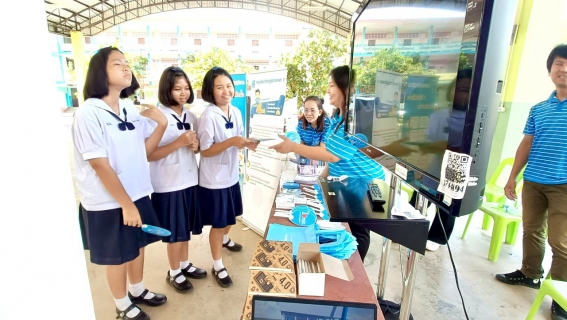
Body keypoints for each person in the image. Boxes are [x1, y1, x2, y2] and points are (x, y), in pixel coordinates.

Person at [73, 47, 168, 320]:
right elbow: (99, 164)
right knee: (118, 254)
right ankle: (122, 304)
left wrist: (160, 126)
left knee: (136, 245)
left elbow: (144, 150)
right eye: (118, 64)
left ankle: (137, 290)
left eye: (127, 64)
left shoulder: (128, 107)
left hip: (136, 192)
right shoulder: (88, 113)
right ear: (99, 73)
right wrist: (126, 205)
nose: (126, 68)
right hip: (107, 200)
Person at [271, 66, 393, 261]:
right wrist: (319, 180)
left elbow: (330, 155)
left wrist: (292, 146)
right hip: (347, 182)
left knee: (357, 233)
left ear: (345, 87)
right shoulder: (337, 116)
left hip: (366, 184)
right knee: (344, 226)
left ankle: (353, 275)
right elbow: (332, 158)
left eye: (331, 85)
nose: (328, 90)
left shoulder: (356, 117)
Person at [496, 45, 567, 320]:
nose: (563, 69)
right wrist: (512, 176)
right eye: (559, 64)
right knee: (532, 230)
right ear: (550, 70)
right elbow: (526, 144)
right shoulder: (539, 109)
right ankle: (529, 274)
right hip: (534, 180)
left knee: (561, 243)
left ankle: (561, 296)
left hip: (564, 184)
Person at [197, 67, 259, 287]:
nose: (226, 91)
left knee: (231, 215)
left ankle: (224, 239)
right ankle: (217, 265)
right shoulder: (208, 116)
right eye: (219, 87)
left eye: (229, 86)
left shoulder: (236, 111)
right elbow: (205, 150)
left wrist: (247, 144)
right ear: (210, 91)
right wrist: (233, 142)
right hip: (214, 180)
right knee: (218, 222)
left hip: (231, 175)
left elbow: (238, 138)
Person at [146, 67, 207, 294]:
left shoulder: (190, 116)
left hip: (190, 180)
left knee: (185, 229)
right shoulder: (156, 117)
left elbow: (197, 147)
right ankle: (174, 272)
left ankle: (184, 264)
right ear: (166, 90)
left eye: (186, 88)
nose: (183, 93)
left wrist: (195, 146)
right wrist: (179, 143)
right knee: (174, 232)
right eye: (177, 89)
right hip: (168, 184)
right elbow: (149, 154)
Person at [412, 67, 472, 251]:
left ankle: (437, 238)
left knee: (447, 207)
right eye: (461, 90)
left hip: (455, 174)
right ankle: (410, 227)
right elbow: (427, 144)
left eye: (469, 91)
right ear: (451, 91)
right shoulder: (439, 116)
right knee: (420, 198)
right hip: (434, 169)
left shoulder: (473, 118)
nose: (464, 95)